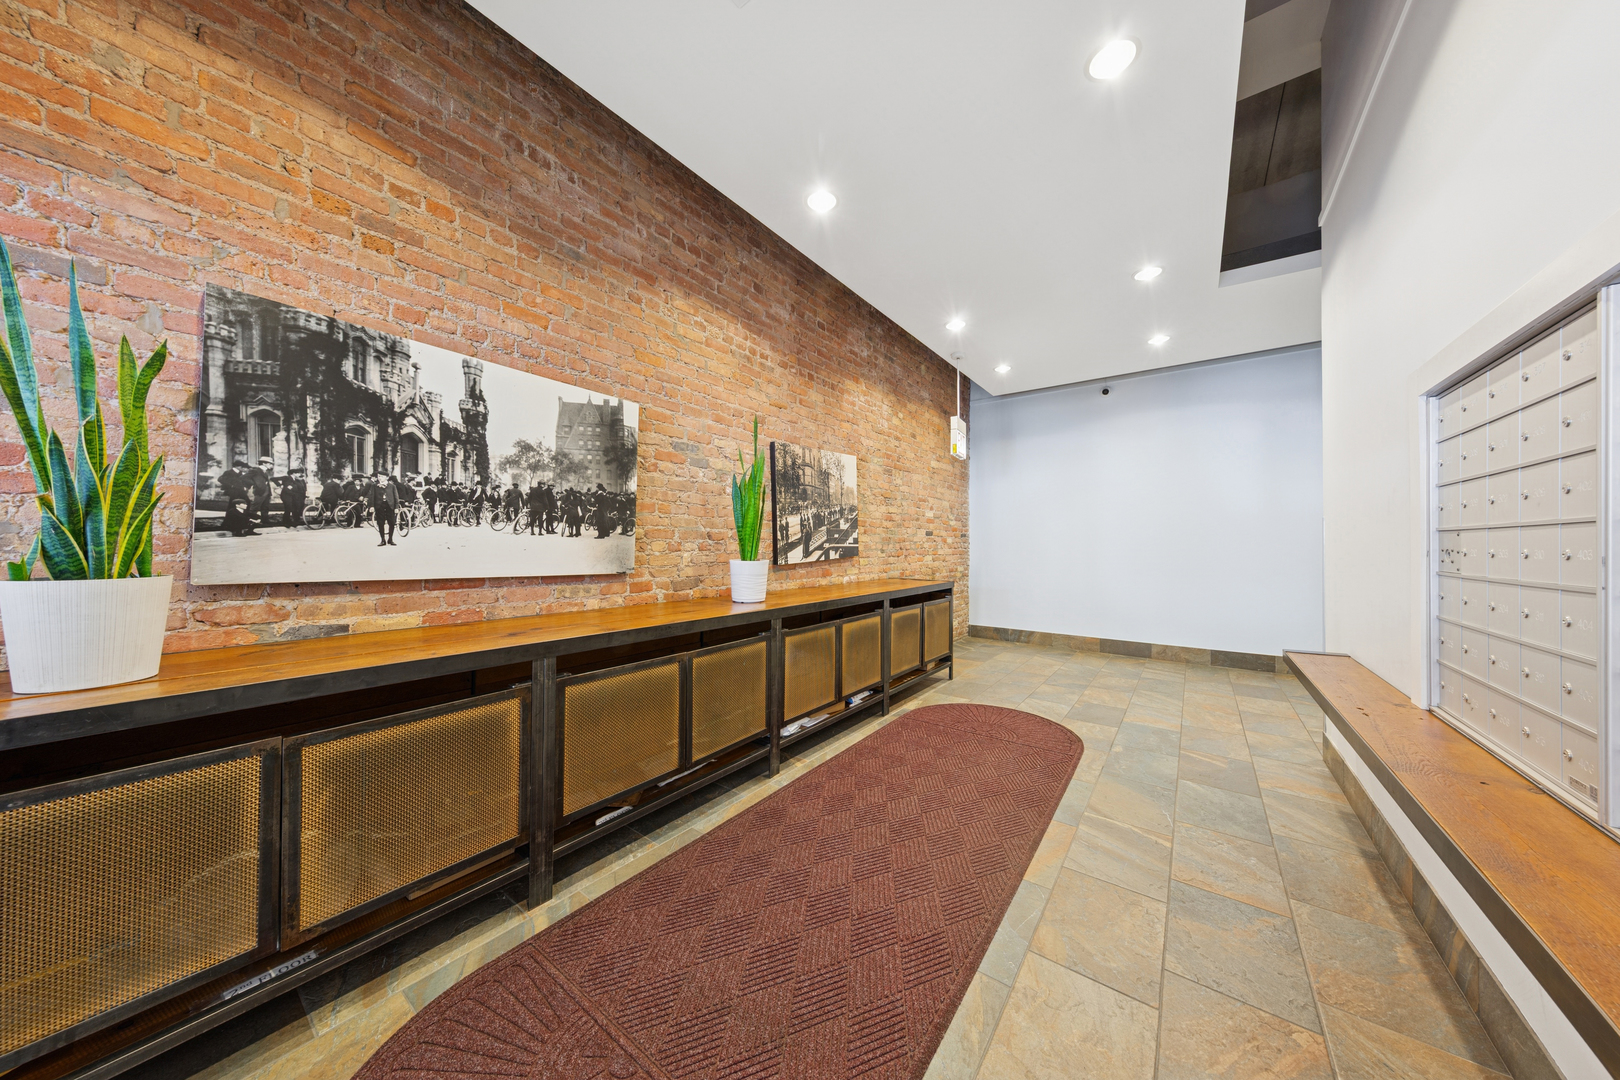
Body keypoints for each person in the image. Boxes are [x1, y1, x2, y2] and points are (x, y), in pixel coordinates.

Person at [218, 459, 255, 536]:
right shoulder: (228, 472)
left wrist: (246, 487)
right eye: (241, 466)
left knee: (245, 505)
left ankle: (242, 524)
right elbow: (220, 479)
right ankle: (229, 524)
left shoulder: (241, 473)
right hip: (233, 492)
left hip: (241, 492)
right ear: (237, 466)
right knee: (233, 507)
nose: (242, 468)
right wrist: (230, 486)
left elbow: (248, 481)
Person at [368, 470, 398, 546]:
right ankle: (382, 540)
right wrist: (371, 506)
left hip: (390, 505)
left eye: (382, 476)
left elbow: (396, 497)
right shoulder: (374, 485)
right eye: (379, 477)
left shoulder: (392, 486)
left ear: (387, 478)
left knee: (391, 522)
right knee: (380, 523)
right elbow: (371, 496)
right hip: (379, 505)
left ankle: (390, 539)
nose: (380, 478)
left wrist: (396, 507)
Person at [247, 457, 273, 528]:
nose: (271, 465)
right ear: (264, 463)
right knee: (255, 507)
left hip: (266, 492)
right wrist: (255, 484)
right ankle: (249, 522)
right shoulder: (255, 470)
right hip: (260, 492)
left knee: (265, 507)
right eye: (270, 463)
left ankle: (265, 521)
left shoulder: (265, 472)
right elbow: (245, 478)